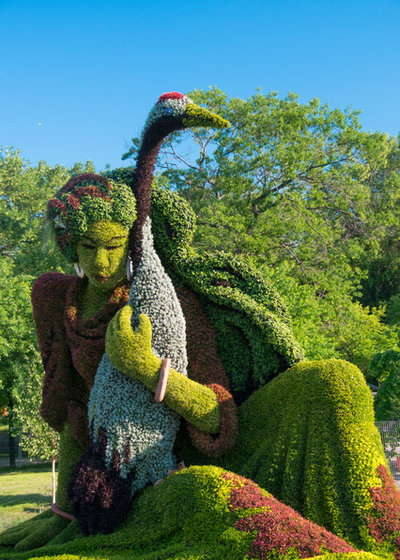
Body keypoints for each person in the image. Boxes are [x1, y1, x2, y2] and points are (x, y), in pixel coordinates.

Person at [1, 172, 399, 558]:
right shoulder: (56, 299)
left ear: (135, 239)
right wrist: (63, 513)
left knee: (336, 380)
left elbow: (218, 419)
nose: (101, 261)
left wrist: (148, 368)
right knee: (206, 496)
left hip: (190, 459)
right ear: (70, 245)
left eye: (114, 245)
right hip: (122, 485)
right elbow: (73, 414)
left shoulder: (172, 300)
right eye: (88, 247)